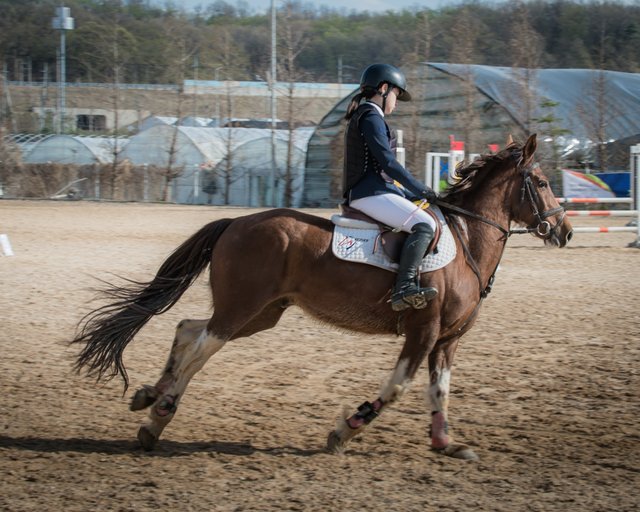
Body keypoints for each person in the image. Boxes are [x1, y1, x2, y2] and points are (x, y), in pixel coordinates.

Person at [342, 63, 439, 312]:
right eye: (396, 95)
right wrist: (420, 188)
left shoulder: (368, 115)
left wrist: (410, 194)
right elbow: (387, 162)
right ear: (384, 89)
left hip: (374, 190)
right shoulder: (371, 116)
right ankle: (404, 287)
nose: (396, 103)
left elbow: (382, 172)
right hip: (368, 194)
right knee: (424, 225)